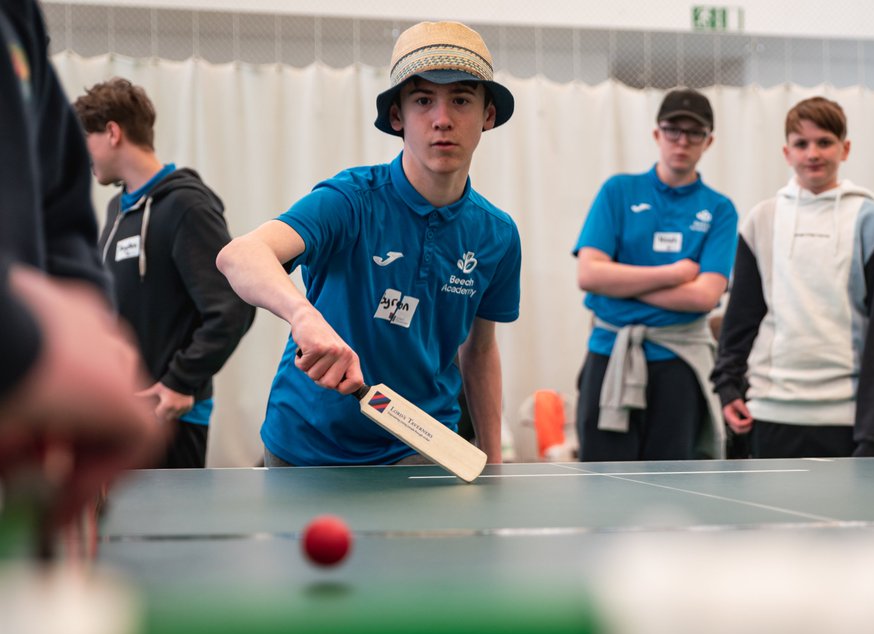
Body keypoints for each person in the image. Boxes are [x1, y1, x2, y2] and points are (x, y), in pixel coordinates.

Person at [216, 21, 520, 467]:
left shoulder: (497, 234)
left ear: (487, 116)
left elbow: (479, 350)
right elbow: (239, 254)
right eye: (422, 101)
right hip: (305, 447)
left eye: (461, 99)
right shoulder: (350, 201)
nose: (442, 119)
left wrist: (492, 462)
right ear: (397, 117)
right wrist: (304, 316)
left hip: (418, 445)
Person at [1, 0, 163, 527]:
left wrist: (94, 324)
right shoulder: (120, 208)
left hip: (96, 409)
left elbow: (56, 205)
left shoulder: (21, 20)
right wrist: (25, 341)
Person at [73, 78, 255, 469]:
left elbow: (232, 307)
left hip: (171, 418)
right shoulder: (116, 211)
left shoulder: (185, 206)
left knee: (168, 531)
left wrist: (179, 381)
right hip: (122, 413)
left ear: (112, 132)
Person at [711, 97, 874, 458]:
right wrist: (728, 388)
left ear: (845, 149)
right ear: (787, 152)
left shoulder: (872, 220)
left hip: (845, 420)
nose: (812, 153)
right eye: (801, 144)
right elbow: (742, 315)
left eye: (824, 142)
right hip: (767, 413)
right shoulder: (761, 219)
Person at [574, 88, 737, 461]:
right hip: (609, 354)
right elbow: (588, 275)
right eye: (672, 129)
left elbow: (704, 297)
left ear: (708, 141)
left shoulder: (719, 209)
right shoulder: (618, 191)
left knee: (673, 488)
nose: (682, 140)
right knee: (603, 481)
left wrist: (618, 285)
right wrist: (675, 273)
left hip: (678, 363)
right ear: (656, 134)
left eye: (694, 133)